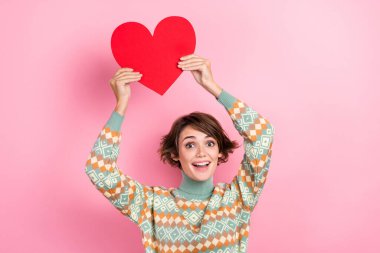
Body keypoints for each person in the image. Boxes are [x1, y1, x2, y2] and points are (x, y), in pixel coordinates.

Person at [85, 54, 275, 252]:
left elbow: (262, 134)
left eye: (210, 143)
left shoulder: (238, 198)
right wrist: (121, 105)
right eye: (190, 145)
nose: (201, 152)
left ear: (219, 152)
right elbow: (99, 172)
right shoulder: (150, 204)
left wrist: (212, 87)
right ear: (175, 154)